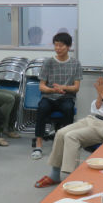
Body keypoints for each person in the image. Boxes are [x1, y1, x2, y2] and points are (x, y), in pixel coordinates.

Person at [35, 52, 103, 188]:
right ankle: (54, 175)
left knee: (71, 137)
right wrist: (100, 96)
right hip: (92, 119)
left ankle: (73, 180)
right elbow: (94, 108)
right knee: (60, 133)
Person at [32, 32, 81, 160]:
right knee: (42, 108)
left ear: (69, 46)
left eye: (61, 45)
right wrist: (53, 90)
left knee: (68, 109)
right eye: (56, 45)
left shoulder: (75, 63)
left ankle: (65, 143)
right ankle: (38, 145)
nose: (58, 48)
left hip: (66, 97)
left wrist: (63, 88)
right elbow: (41, 86)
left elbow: (76, 87)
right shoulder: (48, 62)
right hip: (49, 96)